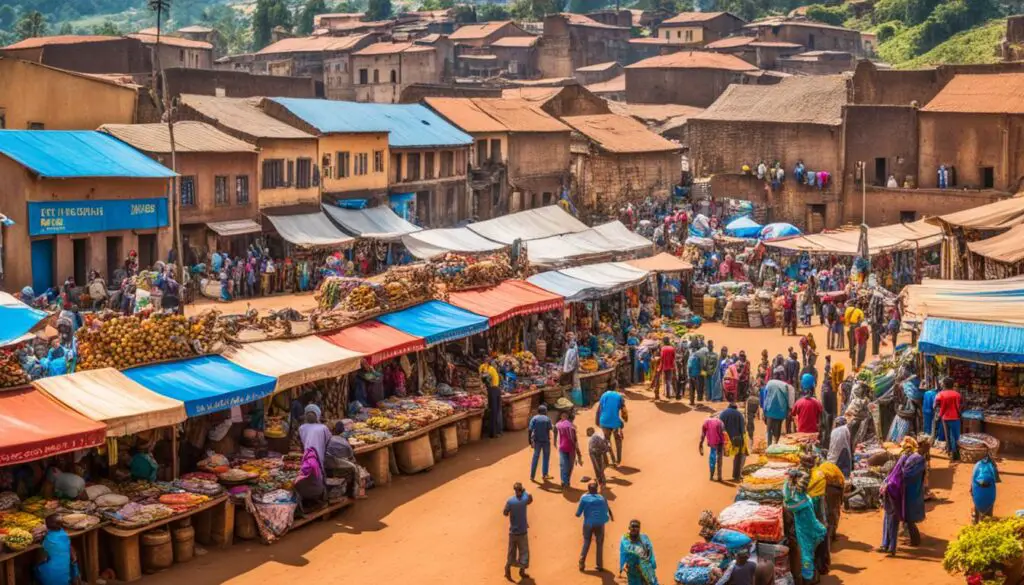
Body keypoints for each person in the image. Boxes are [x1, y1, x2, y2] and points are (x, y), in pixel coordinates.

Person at [879, 437, 926, 555]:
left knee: (903, 518)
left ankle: (891, 546)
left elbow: (906, 474)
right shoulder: (905, 458)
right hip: (897, 491)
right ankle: (888, 545)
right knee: (894, 518)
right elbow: (897, 473)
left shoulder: (915, 459)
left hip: (905, 492)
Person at [34, 514, 80, 585]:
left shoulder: (48, 540)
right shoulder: (64, 535)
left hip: (50, 577)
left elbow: (42, 547)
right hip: (64, 578)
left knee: (35, 567)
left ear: (47, 526)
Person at [577, 481, 613, 572]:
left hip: (588, 524)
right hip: (600, 524)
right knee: (599, 543)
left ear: (588, 489)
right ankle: (599, 565)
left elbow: (578, 514)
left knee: (587, 542)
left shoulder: (584, 498)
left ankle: (582, 559)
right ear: (596, 489)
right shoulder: (602, 498)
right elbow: (605, 511)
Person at [504, 482, 533, 580]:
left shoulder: (510, 501)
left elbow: (505, 513)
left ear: (514, 490)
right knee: (524, 552)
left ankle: (507, 570)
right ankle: (522, 571)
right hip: (523, 532)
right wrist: (524, 490)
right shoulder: (524, 499)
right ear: (521, 490)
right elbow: (530, 497)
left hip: (513, 532)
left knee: (511, 553)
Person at [595, 381, 626, 466]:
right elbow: (624, 411)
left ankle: (612, 459)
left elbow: (599, 410)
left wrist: (597, 421)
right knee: (618, 439)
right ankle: (618, 460)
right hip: (615, 422)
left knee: (607, 441)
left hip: (604, 421)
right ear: (616, 387)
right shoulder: (619, 396)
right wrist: (622, 423)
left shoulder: (603, 395)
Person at [326, 424, 360, 498]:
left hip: (328, 466)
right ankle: (352, 493)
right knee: (355, 469)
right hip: (341, 466)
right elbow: (351, 456)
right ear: (342, 431)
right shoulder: (344, 442)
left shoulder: (327, 440)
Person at [620, 519, 658, 585]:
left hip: (645, 569)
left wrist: (652, 564)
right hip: (632, 571)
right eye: (633, 526)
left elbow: (650, 552)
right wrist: (622, 565)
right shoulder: (625, 540)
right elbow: (624, 552)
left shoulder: (644, 538)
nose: (634, 528)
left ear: (639, 528)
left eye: (637, 526)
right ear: (629, 527)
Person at [934, 376, 963, 460]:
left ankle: (949, 451)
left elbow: (935, 405)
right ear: (952, 385)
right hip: (955, 417)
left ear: (944, 384)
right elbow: (960, 405)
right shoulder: (957, 394)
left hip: (945, 417)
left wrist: (939, 413)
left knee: (947, 435)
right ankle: (955, 452)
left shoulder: (940, 394)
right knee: (955, 435)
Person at [763, 368, 792, 445]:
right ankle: (776, 444)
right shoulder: (785, 385)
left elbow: (765, 397)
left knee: (769, 430)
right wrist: (787, 410)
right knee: (778, 429)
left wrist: (764, 411)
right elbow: (787, 399)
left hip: (770, 410)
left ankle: (769, 445)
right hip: (781, 411)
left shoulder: (769, 383)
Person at [298, 404, 332, 469]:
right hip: (319, 456)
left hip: (307, 456)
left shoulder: (301, 428)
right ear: (317, 415)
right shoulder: (323, 428)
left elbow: (301, 443)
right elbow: (329, 440)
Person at [719, 402, 746, 481]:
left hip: (725, 438)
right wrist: (743, 438)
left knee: (719, 456)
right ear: (736, 408)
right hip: (736, 438)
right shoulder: (739, 414)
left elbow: (719, 426)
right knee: (739, 455)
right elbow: (742, 429)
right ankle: (736, 475)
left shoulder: (723, 413)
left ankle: (718, 475)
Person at [556, 410, 583, 489]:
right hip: (570, 449)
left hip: (562, 448)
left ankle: (564, 481)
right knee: (569, 466)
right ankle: (566, 481)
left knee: (563, 465)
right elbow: (575, 441)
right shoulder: (571, 427)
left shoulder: (559, 425)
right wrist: (579, 455)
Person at [970, 454, 999, 523]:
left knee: (978, 505)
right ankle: (985, 522)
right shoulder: (991, 466)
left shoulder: (977, 465)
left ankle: (976, 521)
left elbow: (973, 477)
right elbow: (996, 478)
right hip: (987, 492)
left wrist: (972, 488)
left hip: (978, 491)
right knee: (988, 509)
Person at [528, 405, 553, 482]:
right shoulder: (547, 419)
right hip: (546, 441)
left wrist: (529, 441)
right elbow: (549, 429)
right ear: (545, 411)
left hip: (537, 441)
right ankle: (545, 474)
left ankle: (532, 476)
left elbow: (530, 430)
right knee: (546, 458)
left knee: (535, 457)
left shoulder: (534, 418)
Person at [699, 413, 726, 481]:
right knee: (719, 460)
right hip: (720, 443)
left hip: (712, 444)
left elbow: (703, 434)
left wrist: (701, 443)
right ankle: (719, 477)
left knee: (712, 459)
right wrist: (725, 445)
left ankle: (711, 476)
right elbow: (722, 433)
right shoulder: (720, 422)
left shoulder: (706, 421)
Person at [481, 361, 503, 439]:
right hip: (493, 390)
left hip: (494, 390)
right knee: (495, 411)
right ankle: (494, 432)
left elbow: (484, 379)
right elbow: (485, 379)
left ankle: (495, 431)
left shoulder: (490, 369)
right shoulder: (488, 368)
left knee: (495, 411)